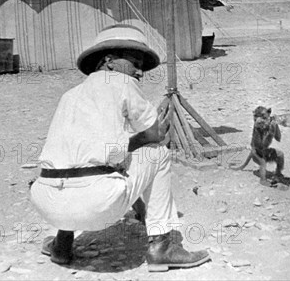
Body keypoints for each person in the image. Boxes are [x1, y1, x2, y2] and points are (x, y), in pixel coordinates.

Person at [30, 24, 210, 271]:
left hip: (46, 202)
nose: (140, 71)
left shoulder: (69, 95)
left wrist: (129, 143)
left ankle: (62, 244)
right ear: (109, 61)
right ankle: (162, 246)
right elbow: (156, 134)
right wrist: (147, 135)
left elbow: (92, 149)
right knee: (158, 153)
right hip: (95, 205)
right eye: (135, 62)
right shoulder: (121, 83)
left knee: (73, 160)